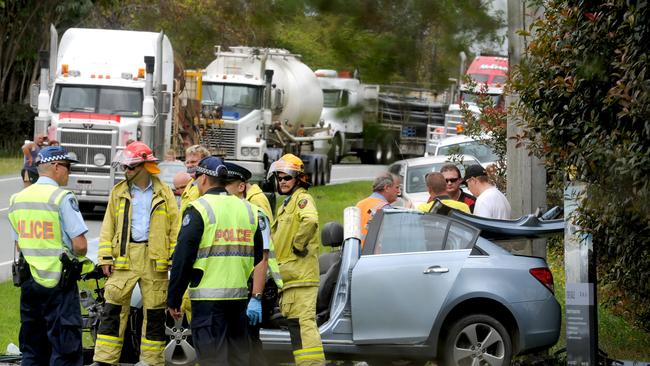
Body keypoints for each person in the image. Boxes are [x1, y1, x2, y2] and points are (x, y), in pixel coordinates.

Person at [167, 156, 268, 365]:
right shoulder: (248, 209)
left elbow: (183, 257)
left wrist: (174, 298)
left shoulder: (199, 209)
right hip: (239, 300)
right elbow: (257, 254)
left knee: (213, 359)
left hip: (208, 302)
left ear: (203, 179)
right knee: (238, 359)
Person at [93, 141, 179, 366]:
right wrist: (104, 257)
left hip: (155, 260)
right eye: (125, 167)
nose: (126, 171)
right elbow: (108, 226)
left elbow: (175, 228)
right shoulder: (118, 191)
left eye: (131, 167)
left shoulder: (164, 192)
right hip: (125, 258)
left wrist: (173, 257)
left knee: (155, 313)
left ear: (145, 166)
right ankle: (104, 360)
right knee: (112, 310)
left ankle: (151, 361)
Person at [8, 146, 92, 366]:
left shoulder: (18, 198)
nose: (69, 172)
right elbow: (80, 245)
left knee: (33, 348)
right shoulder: (61, 197)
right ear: (56, 167)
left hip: (29, 282)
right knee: (65, 349)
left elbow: (19, 245)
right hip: (59, 284)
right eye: (68, 167)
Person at [268, 154, 325, 366]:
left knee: (303, 326)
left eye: (288, 178)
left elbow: (310, 221)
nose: (283, 181)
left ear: (299, 179)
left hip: (300, 276)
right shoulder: (287, 204)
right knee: (297, 328)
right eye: (280, 177)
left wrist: (297, 245)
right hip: (291, 278)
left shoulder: (302, 199)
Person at [224, 162, 283, 366]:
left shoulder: (255, 211)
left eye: (227, 184)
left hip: (257, 286)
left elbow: (262, 257)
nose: (223, 189)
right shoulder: (228, 211)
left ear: (241, 187)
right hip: (238, 285)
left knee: (249, 342)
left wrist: (256, 297)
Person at [355, 172, 401, 248]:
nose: (398, 191)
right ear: (386, 188)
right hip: (373, 255)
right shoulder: (385, 209)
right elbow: (393, 239)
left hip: (356, 253)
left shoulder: (359, 204)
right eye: (396, 188)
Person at [179, 144, 211, 215]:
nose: (189, 165)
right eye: (187, 162)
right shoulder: (191, 182)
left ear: (204, 163)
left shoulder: (208, 184)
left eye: (193, 162)